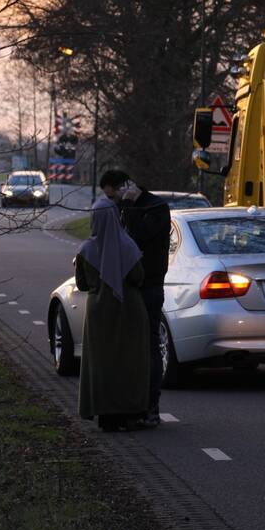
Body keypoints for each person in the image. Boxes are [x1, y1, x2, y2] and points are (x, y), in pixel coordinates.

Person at [99, 170, 171, 428]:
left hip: (148, 286)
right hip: (125, 287)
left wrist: (128, 205)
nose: (114, 202)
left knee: (149, 347)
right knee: (126, 349)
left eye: (115, 196)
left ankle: (150, 406)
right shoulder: (122, 207)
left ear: (127, 187)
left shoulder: (156, 207)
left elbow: (136, 236)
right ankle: (128, 406)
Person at [76, 197, 150, 431]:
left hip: (99, 312)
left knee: (101, 363)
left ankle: (104, 412)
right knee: (130, 362)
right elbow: (139, 277)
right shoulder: (128, 246)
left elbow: (81, 284)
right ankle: (130, 411)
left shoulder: (86, 250)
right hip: (129, 309)